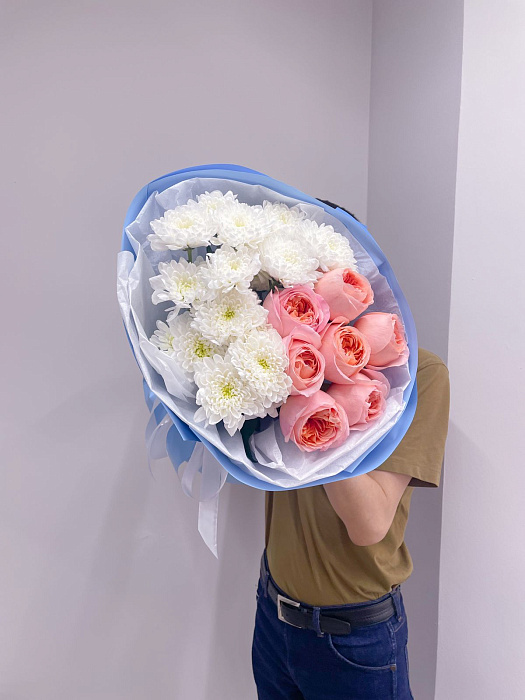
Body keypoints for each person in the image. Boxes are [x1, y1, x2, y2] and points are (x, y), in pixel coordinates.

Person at [251, 202, 451, 700]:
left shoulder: (419, 377)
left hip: (352, 640)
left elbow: (369, 525)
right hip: (273, 616)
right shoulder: (274, 362)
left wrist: (314, 392)